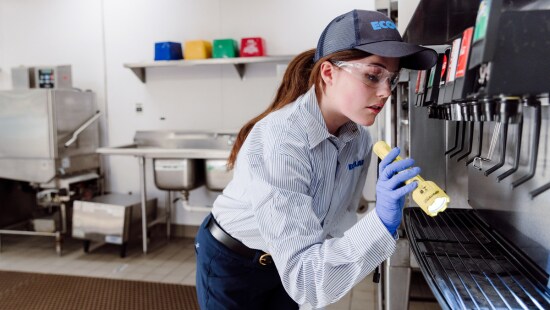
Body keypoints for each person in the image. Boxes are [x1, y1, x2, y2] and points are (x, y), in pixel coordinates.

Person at [194, 9, 437, 309]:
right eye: (373, 75)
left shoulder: (359, 139)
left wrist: (378, 218)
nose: (386, 91)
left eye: (392, 78)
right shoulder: (283, 140)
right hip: (234, 262)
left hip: (289, 263)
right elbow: (307, 282)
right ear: (328, 73)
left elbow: (333, 227)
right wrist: (380, 223)